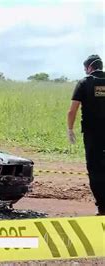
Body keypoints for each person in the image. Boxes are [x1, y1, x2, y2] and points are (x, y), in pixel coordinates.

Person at [67, 54, 105, 215]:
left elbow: (72, 110)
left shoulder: (84, 83)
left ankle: (102, 207)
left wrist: (70, 129)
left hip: (92, 134)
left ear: (90, 67)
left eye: (85, 68)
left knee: (95, 168)